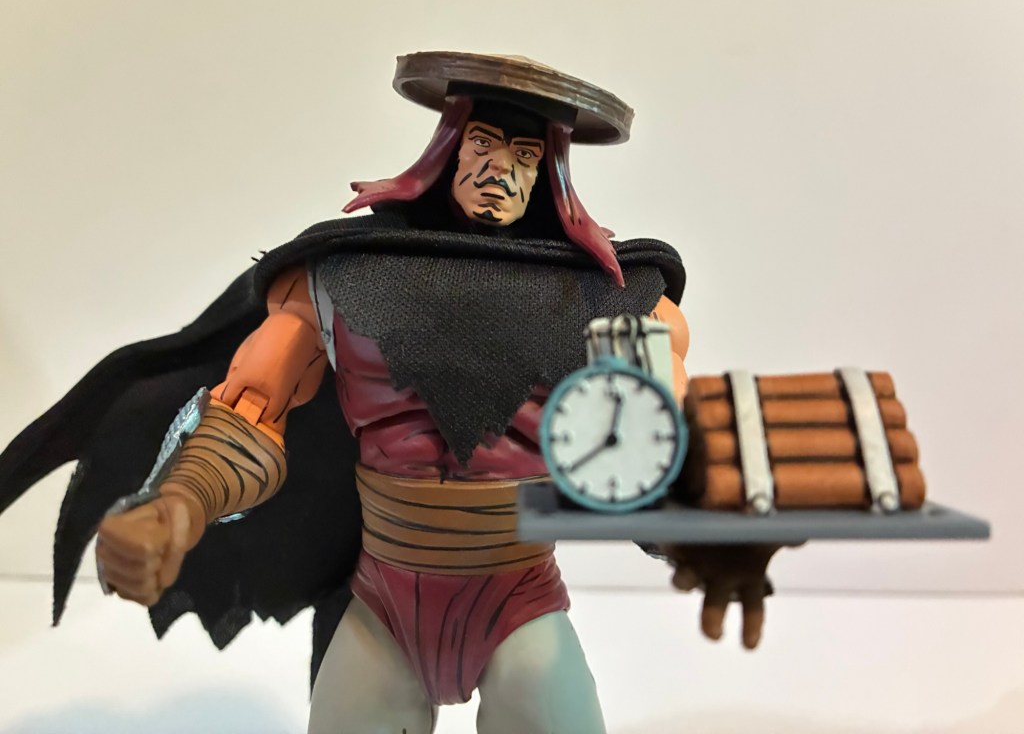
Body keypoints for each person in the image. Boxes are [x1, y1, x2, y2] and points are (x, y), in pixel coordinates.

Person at [0, 52, 776, 734]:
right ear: (447, 149)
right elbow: (252, 412)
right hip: (382, 609)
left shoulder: (617, 302)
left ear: (550, 172)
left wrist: (712, 531)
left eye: (524, 153)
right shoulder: (339, 279)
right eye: (482, 144)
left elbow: (660, 443)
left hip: (520, 603)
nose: (500, 169)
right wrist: (180, 503)